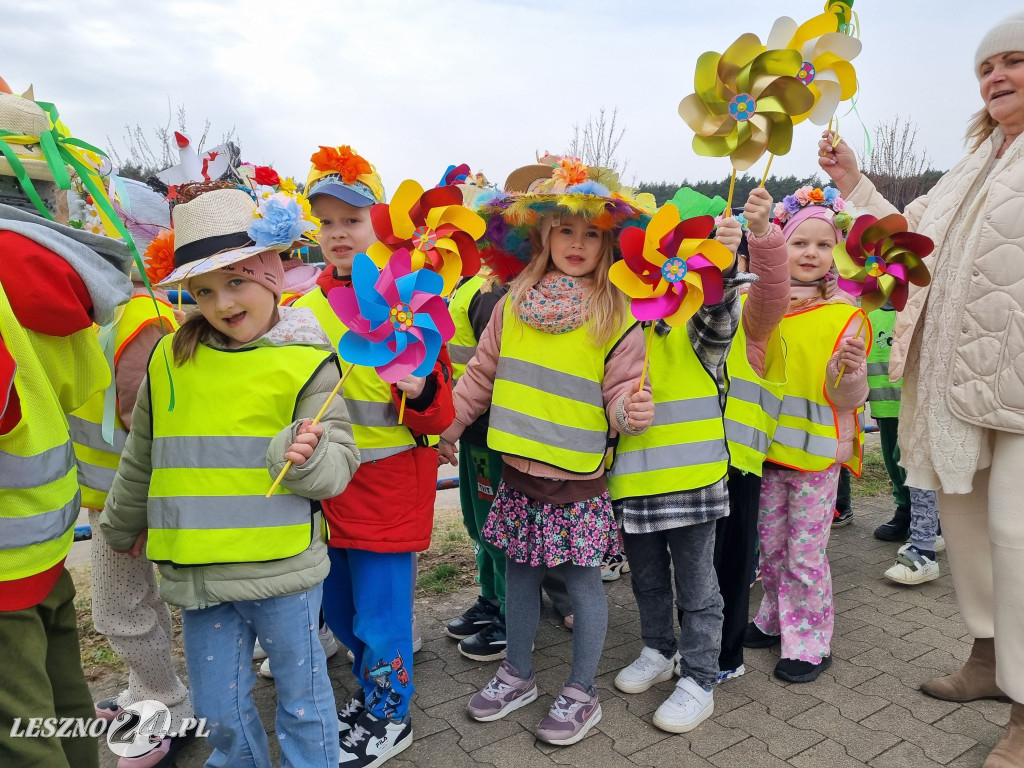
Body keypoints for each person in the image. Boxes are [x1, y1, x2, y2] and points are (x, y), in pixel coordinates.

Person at [819, 15, 1024, 761]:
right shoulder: (976, 159)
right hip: (960, 381)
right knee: (970, 533)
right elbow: (911, 237)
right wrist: (853, 185)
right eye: (986, 67)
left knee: (1018, 539)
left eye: (1014, 62)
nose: (997, 76)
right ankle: (988, 659)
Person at [100, 185, 359, 768]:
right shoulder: (171, 357)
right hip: (197, 570)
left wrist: (305, 457)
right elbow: (144, 451)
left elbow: (339, 464)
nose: (221, 302)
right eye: (204, 290)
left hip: (281, 569)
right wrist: (120, 527)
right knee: (218, 710)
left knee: (302, 698)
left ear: (271, 275)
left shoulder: (307, 360)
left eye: (237, 281)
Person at [438, 157, 655, 746]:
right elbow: (480, 375)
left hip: (577, 474)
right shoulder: (511, 304)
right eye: (565, 230)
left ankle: (583, 691)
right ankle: (519, 673)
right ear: (543, 236)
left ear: (608, 241)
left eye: (591, 233)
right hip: (516, 467)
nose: (577, 243)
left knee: (582, 583)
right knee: (520, 573)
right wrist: (447, 429)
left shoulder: (617, 312)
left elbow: (620, 390)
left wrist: (627, 412)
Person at [294, 145, 455, 768]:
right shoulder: (301, 309)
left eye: (353, 221)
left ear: (378, 224)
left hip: (390, 484)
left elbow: (439, 418)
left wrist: (423, 389)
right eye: (328, 222)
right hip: (326, 486)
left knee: (383, 614)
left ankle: (391, 716)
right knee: (337, 607)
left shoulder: (408, 304)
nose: (339, 234)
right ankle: (369, 692)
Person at [0, 89, 133, 768]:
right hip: (44, 541)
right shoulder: (64, 275)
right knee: (63, 701)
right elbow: (85, 390)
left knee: (20, 737)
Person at [605, 189, 756, 734]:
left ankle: (699, 676)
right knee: (646, 581)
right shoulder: (622, 326)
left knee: (697, 588)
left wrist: (722, 259)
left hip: (692, 477)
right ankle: (658, 649)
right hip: (632, 479)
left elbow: (718, 315)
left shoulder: (696, 326)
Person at [66, 178, 196, 768]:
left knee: (120, 607)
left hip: (128, 498)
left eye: (96, 221)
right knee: (137, 599)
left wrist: (136, 507)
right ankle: (153, 690)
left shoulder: (136, 315)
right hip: (113, 493)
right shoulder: (121, 307)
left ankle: (163, 702)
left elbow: (145, 422)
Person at [743, 185, 869, 684]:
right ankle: (774, 617)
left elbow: (848, 399)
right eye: (799, 243)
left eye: (822, 244)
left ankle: (810, 641)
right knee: (770, 547)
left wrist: (849, 373)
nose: (812, 253)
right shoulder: (761, 312)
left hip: (816, 458)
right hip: (767, 452)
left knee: (804, 553)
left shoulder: (845, 316)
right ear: (781, 247)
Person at [713, 191, 790, 685]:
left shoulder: (752, 313)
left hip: (738, 459)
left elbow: (773, 291)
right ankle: (690, 639)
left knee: (732, 560)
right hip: (685, 457)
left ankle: (725, 653)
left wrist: (760, 235)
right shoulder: (676, 310)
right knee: (693, 564)